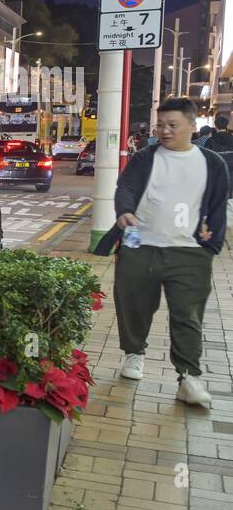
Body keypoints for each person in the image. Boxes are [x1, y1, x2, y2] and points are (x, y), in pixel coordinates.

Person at [94, 97, 230, 409]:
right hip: (140, 246)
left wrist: (211, 242)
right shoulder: (145, 158)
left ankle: (188, 377)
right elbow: (125, 188)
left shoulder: (212, 163)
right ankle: (134, 352)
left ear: (192, 127)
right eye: (160, 125)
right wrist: (124, 211)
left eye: (172, 125)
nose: (165, 131)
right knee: (134, 305)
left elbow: (219, 204)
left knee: (187, 314)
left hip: (190, 252)